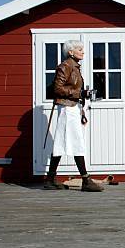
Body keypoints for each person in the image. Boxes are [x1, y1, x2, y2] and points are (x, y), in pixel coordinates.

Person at [44, 40, 104, 192]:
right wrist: (80, 93)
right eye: (79, 49)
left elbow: (70, 89)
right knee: (76, 142)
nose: (83, 52)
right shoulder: (66, 66)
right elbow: (58, 89)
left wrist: (82, 101)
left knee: (60, 143)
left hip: (72, 108)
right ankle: (85, 180)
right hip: (67, 109)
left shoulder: (74, 67)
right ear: (71, 52)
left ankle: (50, 179)